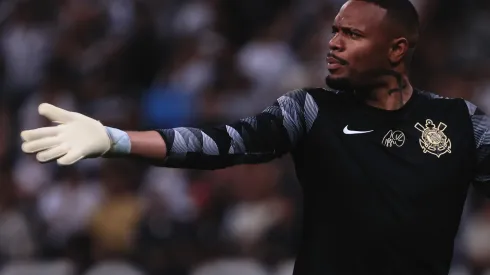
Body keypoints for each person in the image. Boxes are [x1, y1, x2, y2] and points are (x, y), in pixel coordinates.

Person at [19, 0, 490, 274]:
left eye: (351, 34)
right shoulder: (308, 110)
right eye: (333, 31)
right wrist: (114, 139)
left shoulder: (460, 121)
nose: (333, 43)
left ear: (397, 49)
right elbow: (221, 143)